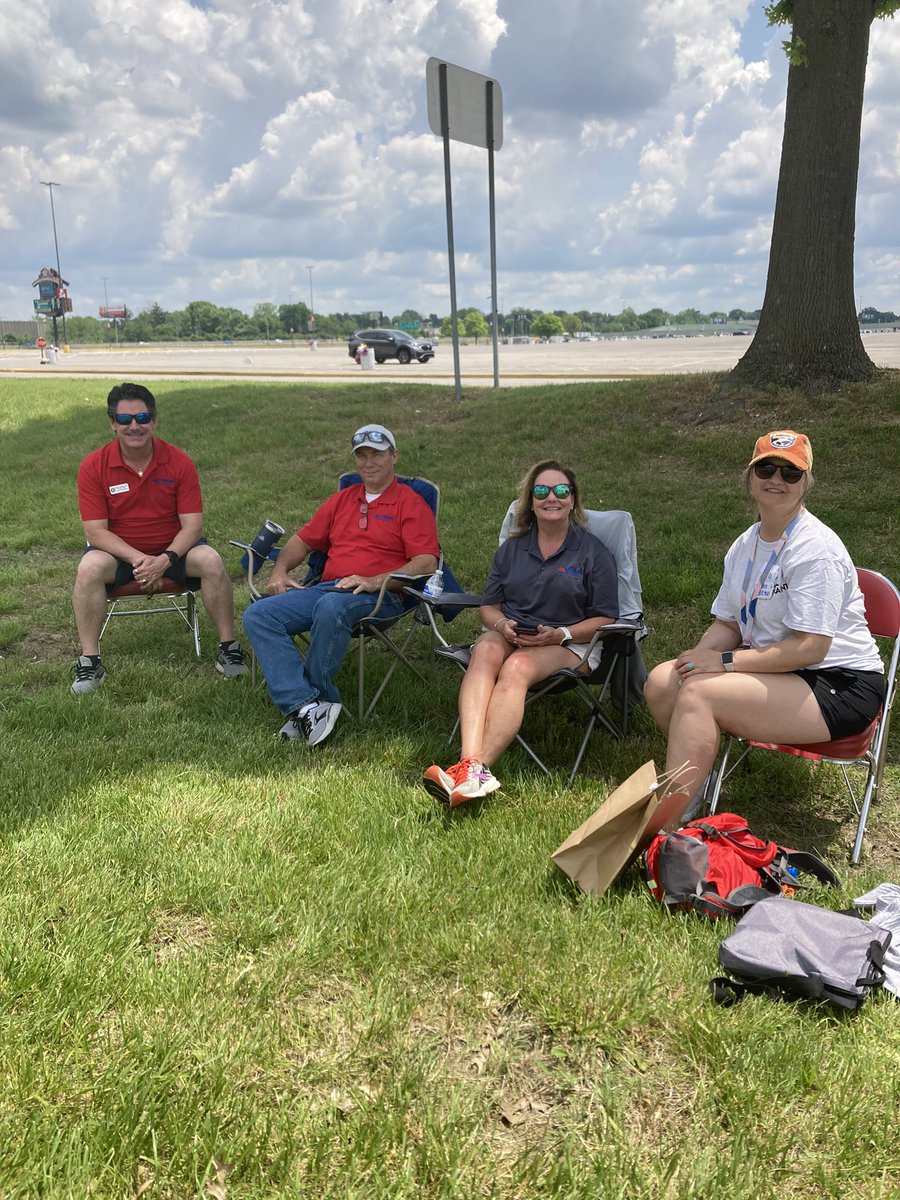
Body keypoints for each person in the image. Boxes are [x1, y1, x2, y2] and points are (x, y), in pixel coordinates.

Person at [644, 429, 885, 809]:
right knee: (663, 682)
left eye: (790, 473)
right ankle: (696, 781)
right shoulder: (746, 544)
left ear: (805, 483)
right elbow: (728, 623)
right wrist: (696, 658)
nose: (776, 479)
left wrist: (721, 663)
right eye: (767, 468)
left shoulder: (815, 549)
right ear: (750, 477)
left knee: (700, 693)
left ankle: (671, 815)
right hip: (778, 669)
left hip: (838, 681)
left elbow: (811, 647)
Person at [423, 460, 619, 806]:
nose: (551, 498)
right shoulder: (512, 549)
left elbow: (606, 618)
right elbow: (489, 605)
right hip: (512, 632)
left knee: (517, 668)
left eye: (561, 491)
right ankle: (468, 766)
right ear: (530, 501)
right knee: (484, 650)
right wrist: (501, 626)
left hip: (573, 643)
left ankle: (479, 767)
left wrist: (559, 633)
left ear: (573, 500)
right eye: (541, 491)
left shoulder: (592, 552)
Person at [242, 424, 439, 746]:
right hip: (331, 587)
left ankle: (316, 698)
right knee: (259, 614)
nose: (368, 462)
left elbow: (426, 562)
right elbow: (300, 542)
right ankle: (306, 706)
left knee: (331, 606)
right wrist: (278, 572)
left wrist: (376, 580)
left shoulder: (411, 503)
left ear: (394, 457)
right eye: (361, 455)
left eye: (376, 454)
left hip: (383, 594)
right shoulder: (342, 500)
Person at [72, 382, 247, 693]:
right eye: (124, 419)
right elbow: (95, 531)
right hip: (120, 556)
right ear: (113, 423)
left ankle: (228, 648)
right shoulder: (93, 466)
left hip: (174, 551)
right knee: (88, 569)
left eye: (142, 417)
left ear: (154, 420)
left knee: (211, 559)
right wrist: (142, 561)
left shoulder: (178, 461)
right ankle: (90, 662)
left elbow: (192, 526)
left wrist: (164, 560)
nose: (134, 426)